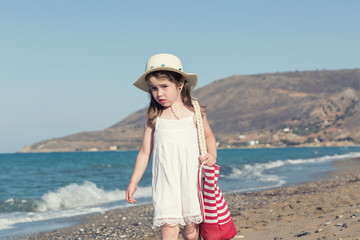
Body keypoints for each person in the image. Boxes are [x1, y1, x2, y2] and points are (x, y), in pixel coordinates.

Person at [126, 53, 217, 240]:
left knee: (191, 231)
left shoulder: (195, 112)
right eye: (153, 89)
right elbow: (145, 152)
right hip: (165, 180)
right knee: (168, 225)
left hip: (190, 179)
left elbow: (208, 136)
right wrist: (134, 181)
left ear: (180, 83)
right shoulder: (154, 116)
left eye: (164, 86)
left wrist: (212, 155)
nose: (159, 93)